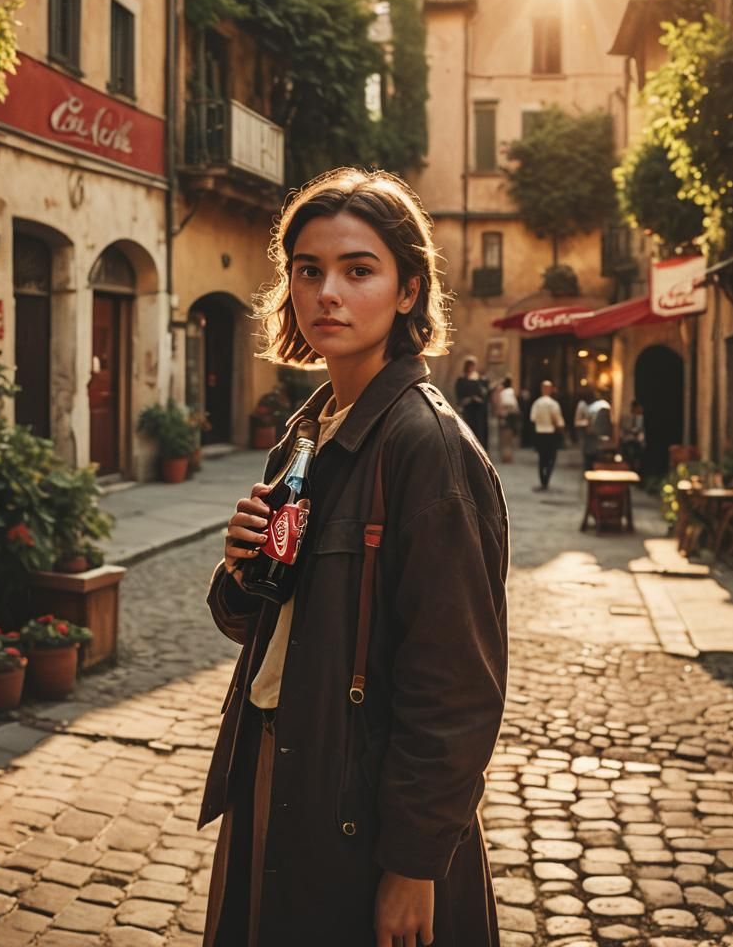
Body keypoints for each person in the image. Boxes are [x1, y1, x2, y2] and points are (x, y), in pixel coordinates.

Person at [201, 168, 509, 947]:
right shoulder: (309, 430)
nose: (327, 293)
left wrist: (413, 865)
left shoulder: (426, 448)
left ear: (408, 290)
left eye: (358, 269)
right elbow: (268, 627)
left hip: (356, 807)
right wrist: (241, 571)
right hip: (281, 771)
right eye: (309, 270)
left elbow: (457, 687)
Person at [529, 379, 565, 490]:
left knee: (542, 458)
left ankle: (543, 480)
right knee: (551, 458)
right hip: (551, 433)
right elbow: (558, 421)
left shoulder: (537, 403)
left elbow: (533, 418)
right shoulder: (553, 404)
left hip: (540, 433)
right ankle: (546, 479)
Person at [454, 355, 490, 451]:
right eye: (470, 365)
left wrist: (479, 399)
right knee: (468, 432)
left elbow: (484, 395)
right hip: (468, 411)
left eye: (473, 365)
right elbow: (459, 396)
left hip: (478, 411)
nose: (472, 368)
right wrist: (468, 399)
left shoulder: (479, 380)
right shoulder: (461, 380)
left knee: (479, 433)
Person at [491, 376, 520, 463]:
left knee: (505, 437)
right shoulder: (508, 392)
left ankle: (506, 456)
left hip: (506, 416)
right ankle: (506, 457)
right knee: (506, 437)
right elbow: (512, 405)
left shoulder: (505, 392)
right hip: (506, 417)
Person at [584, 389, 614, 470]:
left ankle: (590, 469)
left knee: (591, 452)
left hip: (593, 432)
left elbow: (588, 420)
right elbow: (607, 421)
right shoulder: (605, 405)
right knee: (597, 453)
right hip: (600, 432)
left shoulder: (592, 406)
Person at [620, 399, 645, 474]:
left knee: (637, 463)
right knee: (629, 462)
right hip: (628, 442)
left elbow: (640, 430)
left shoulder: (640, 418)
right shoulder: (626, 417)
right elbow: (624, 429)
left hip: (637, 443)